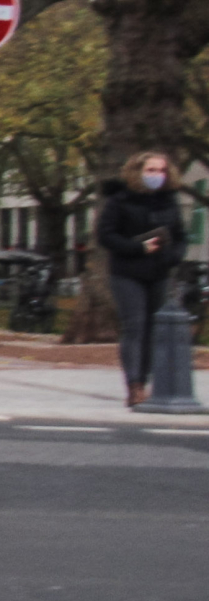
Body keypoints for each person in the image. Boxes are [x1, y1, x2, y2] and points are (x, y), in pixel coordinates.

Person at [97, 149, 184, 408]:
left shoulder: (170, 201)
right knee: (135, 327)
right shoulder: (120, 200)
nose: (157, 175)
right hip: (127, 272)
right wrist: (139, 248)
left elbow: (180, 235)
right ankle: (134, 385)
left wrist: (173, 255)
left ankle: (148, 381)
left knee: (154, 329)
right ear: (137, 172)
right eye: (151, 170)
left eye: (161, 171)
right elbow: (105, 235)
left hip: (159, 272)